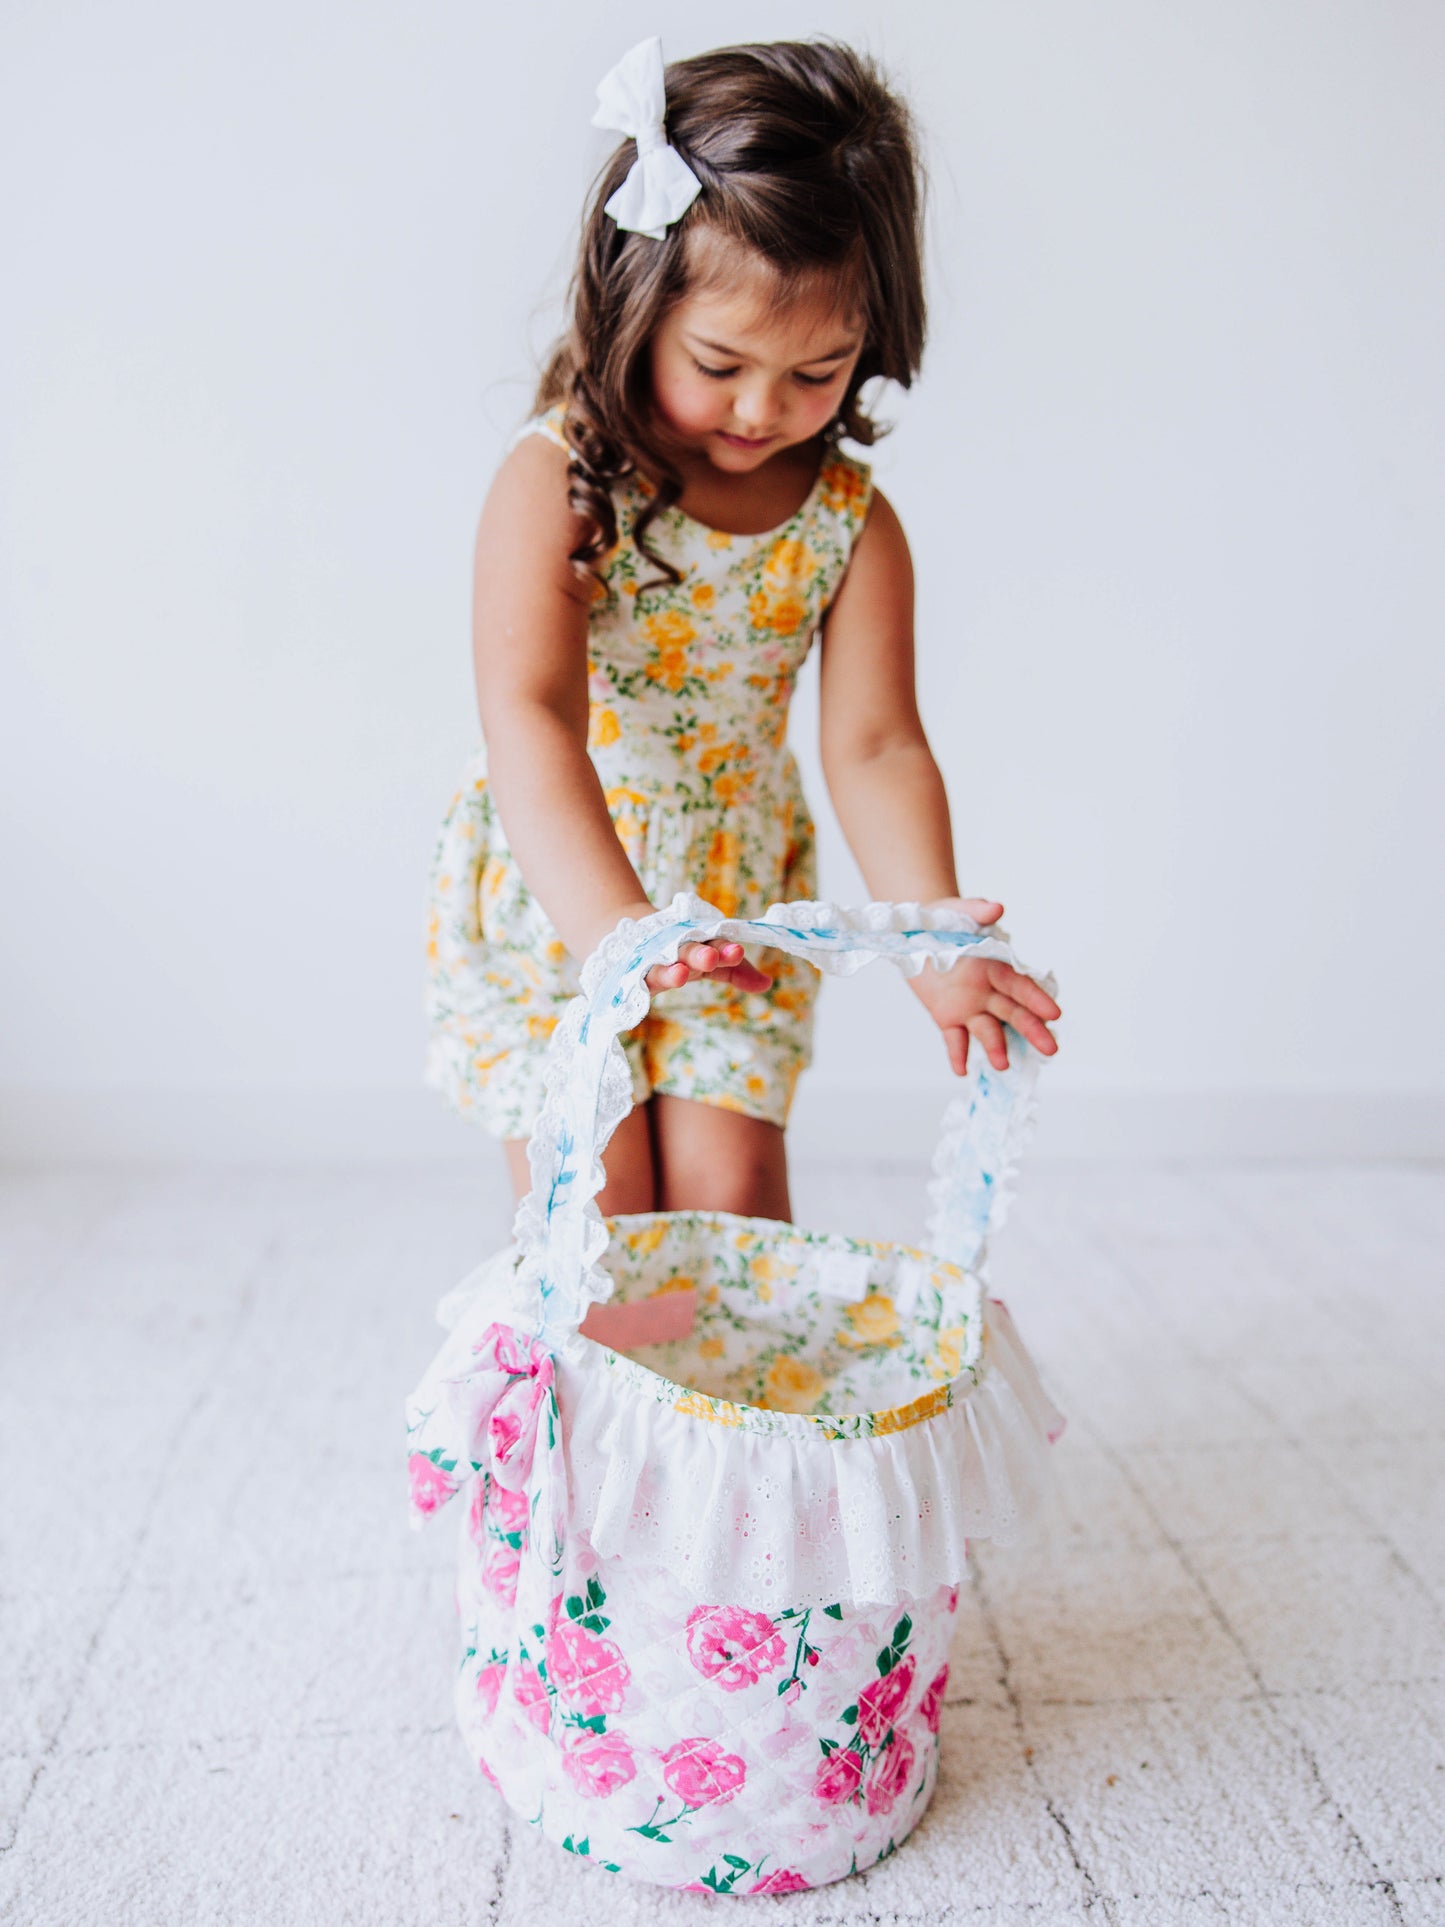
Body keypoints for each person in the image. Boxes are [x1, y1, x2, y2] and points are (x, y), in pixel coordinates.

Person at [424, 35, 1060, 1222]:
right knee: (600, 1228)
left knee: (731, 1217)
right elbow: (531, 717)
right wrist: (615, 933)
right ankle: (588, 1406)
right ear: (636, 305)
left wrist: (929, 935)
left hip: (733, 900)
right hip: (564, 899)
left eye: (818, 371)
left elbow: (873, 745)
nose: (763, 410)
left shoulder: (846, 523)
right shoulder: (562, 481)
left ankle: (723, 1421)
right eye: (720, 363)